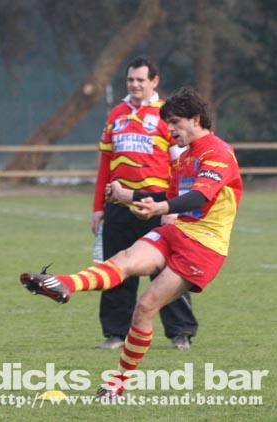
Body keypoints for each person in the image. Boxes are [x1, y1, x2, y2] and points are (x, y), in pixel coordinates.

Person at [20, 86, 243, 396]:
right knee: (123, 260)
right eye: (168, 123)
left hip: (204, 247)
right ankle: (64, 284)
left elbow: (198, 196)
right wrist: (130, 196)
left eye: (175, 122)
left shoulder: (218, 152)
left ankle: (117, 384)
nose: (170, 130)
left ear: (195, 119)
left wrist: (160, 209)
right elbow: (169, 195)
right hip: (178, 232)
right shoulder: (184, 157)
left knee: (145, 307)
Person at [92, 57, 198, 351]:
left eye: (140, 79)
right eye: (130, 80)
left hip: (158, 205)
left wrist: (174, 208)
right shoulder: (116, 114)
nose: (135, 85)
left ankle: (180, 332)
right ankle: (116, 333)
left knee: (168, 269)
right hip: (119, 206)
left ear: (154, 81)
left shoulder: (167, 116)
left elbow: (180, 166)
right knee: (116, 267)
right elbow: (105, 164)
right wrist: (98, 207)